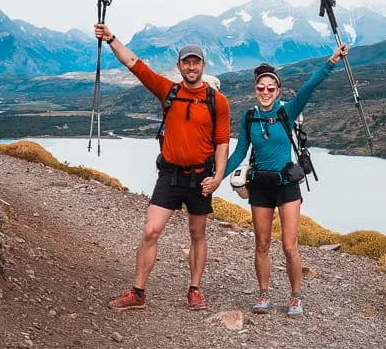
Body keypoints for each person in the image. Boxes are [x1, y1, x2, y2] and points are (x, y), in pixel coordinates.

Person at [93, 23, 230, 311]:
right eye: (186, 62)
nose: (191, 67)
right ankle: (138, 293)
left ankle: (194, 290)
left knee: (197, 234)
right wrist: (111, 38)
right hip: (170, 175)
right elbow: (135, 65)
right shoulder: (168, 90)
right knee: (151, 231)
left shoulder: (217, 101)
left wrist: (218, 177)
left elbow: (221, 143)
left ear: (203, 65)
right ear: (179, 66)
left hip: (201, 177)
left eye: (196, 62)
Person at [223, 43, 348, 318]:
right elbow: (240, 153)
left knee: (290, 246)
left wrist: (332, 61)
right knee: (262, 244)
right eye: (261, 88)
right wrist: (215, 177)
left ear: (278, 91)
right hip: (260, 187)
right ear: (255, 90)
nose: (265, 92)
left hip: (286, 186)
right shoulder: (249, 118)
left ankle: (295, 296)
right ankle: (264, 293)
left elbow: (309, 88)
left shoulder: (286, 112)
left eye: (271, 88)